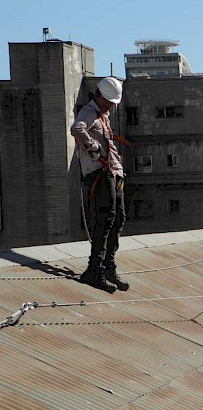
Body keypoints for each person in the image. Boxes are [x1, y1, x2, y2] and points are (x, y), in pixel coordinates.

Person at [70, 76, 129, 293]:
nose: (111, 106)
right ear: (99, 96)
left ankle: (108, 268)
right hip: (99, 174)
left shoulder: (103, 115)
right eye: (108, 102)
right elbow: (77, 128)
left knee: (117, 219)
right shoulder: (89, 112)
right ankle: (94, 270)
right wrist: (93, 147)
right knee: (105, 220)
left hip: (112, 173)